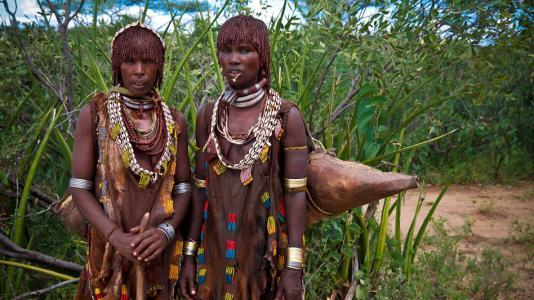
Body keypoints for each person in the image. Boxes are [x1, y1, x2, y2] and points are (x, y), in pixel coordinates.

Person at [179, 15, 308, 299]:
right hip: (212, 252)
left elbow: (296, 194)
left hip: (263, 254)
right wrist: (188, 253)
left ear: (262, 57)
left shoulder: (286, 116)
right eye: (226, 50)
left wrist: (294, 267)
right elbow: (200, 188)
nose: (233, 59)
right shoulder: (208, 116)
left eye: (245, 50)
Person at [70, 22, 191, 299]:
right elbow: (79, 187)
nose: (139, 70)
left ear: (159, 66)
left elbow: (184, 188)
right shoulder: (97, 115)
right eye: (129, 61)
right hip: (109, 250)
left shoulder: (174, 121)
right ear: (117, 66)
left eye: (148, 62)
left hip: (159, 253)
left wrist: (166, 232)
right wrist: (115, 236)